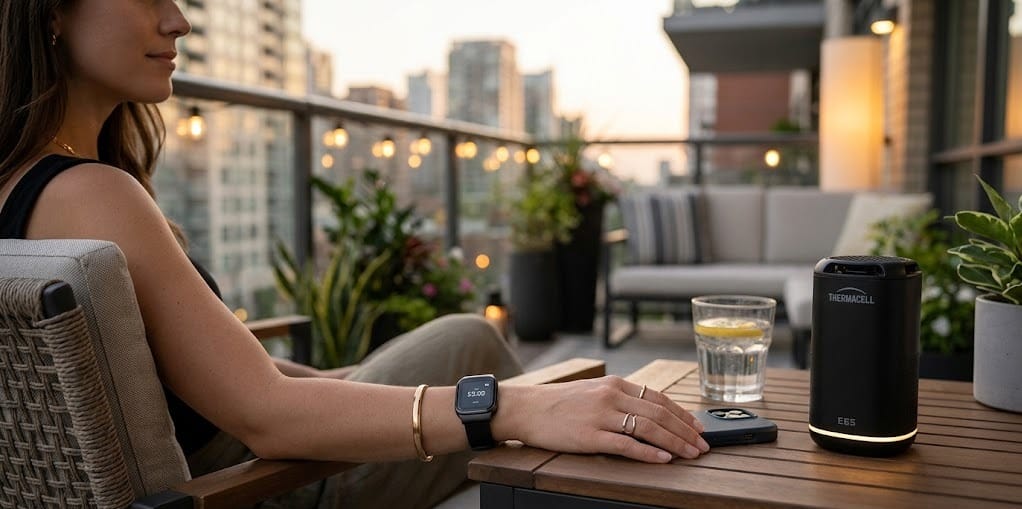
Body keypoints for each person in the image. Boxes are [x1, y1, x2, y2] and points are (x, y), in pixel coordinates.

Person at [0, 1, 710, 507]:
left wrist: (345, 384)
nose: (178, 20)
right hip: (264, 485)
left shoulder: (23, 188)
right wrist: (513, 410)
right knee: (470, 342)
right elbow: (265, 414)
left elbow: (213, 375)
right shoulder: (94, 193)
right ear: (51, 13)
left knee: (475, 365)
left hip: (242, 451)